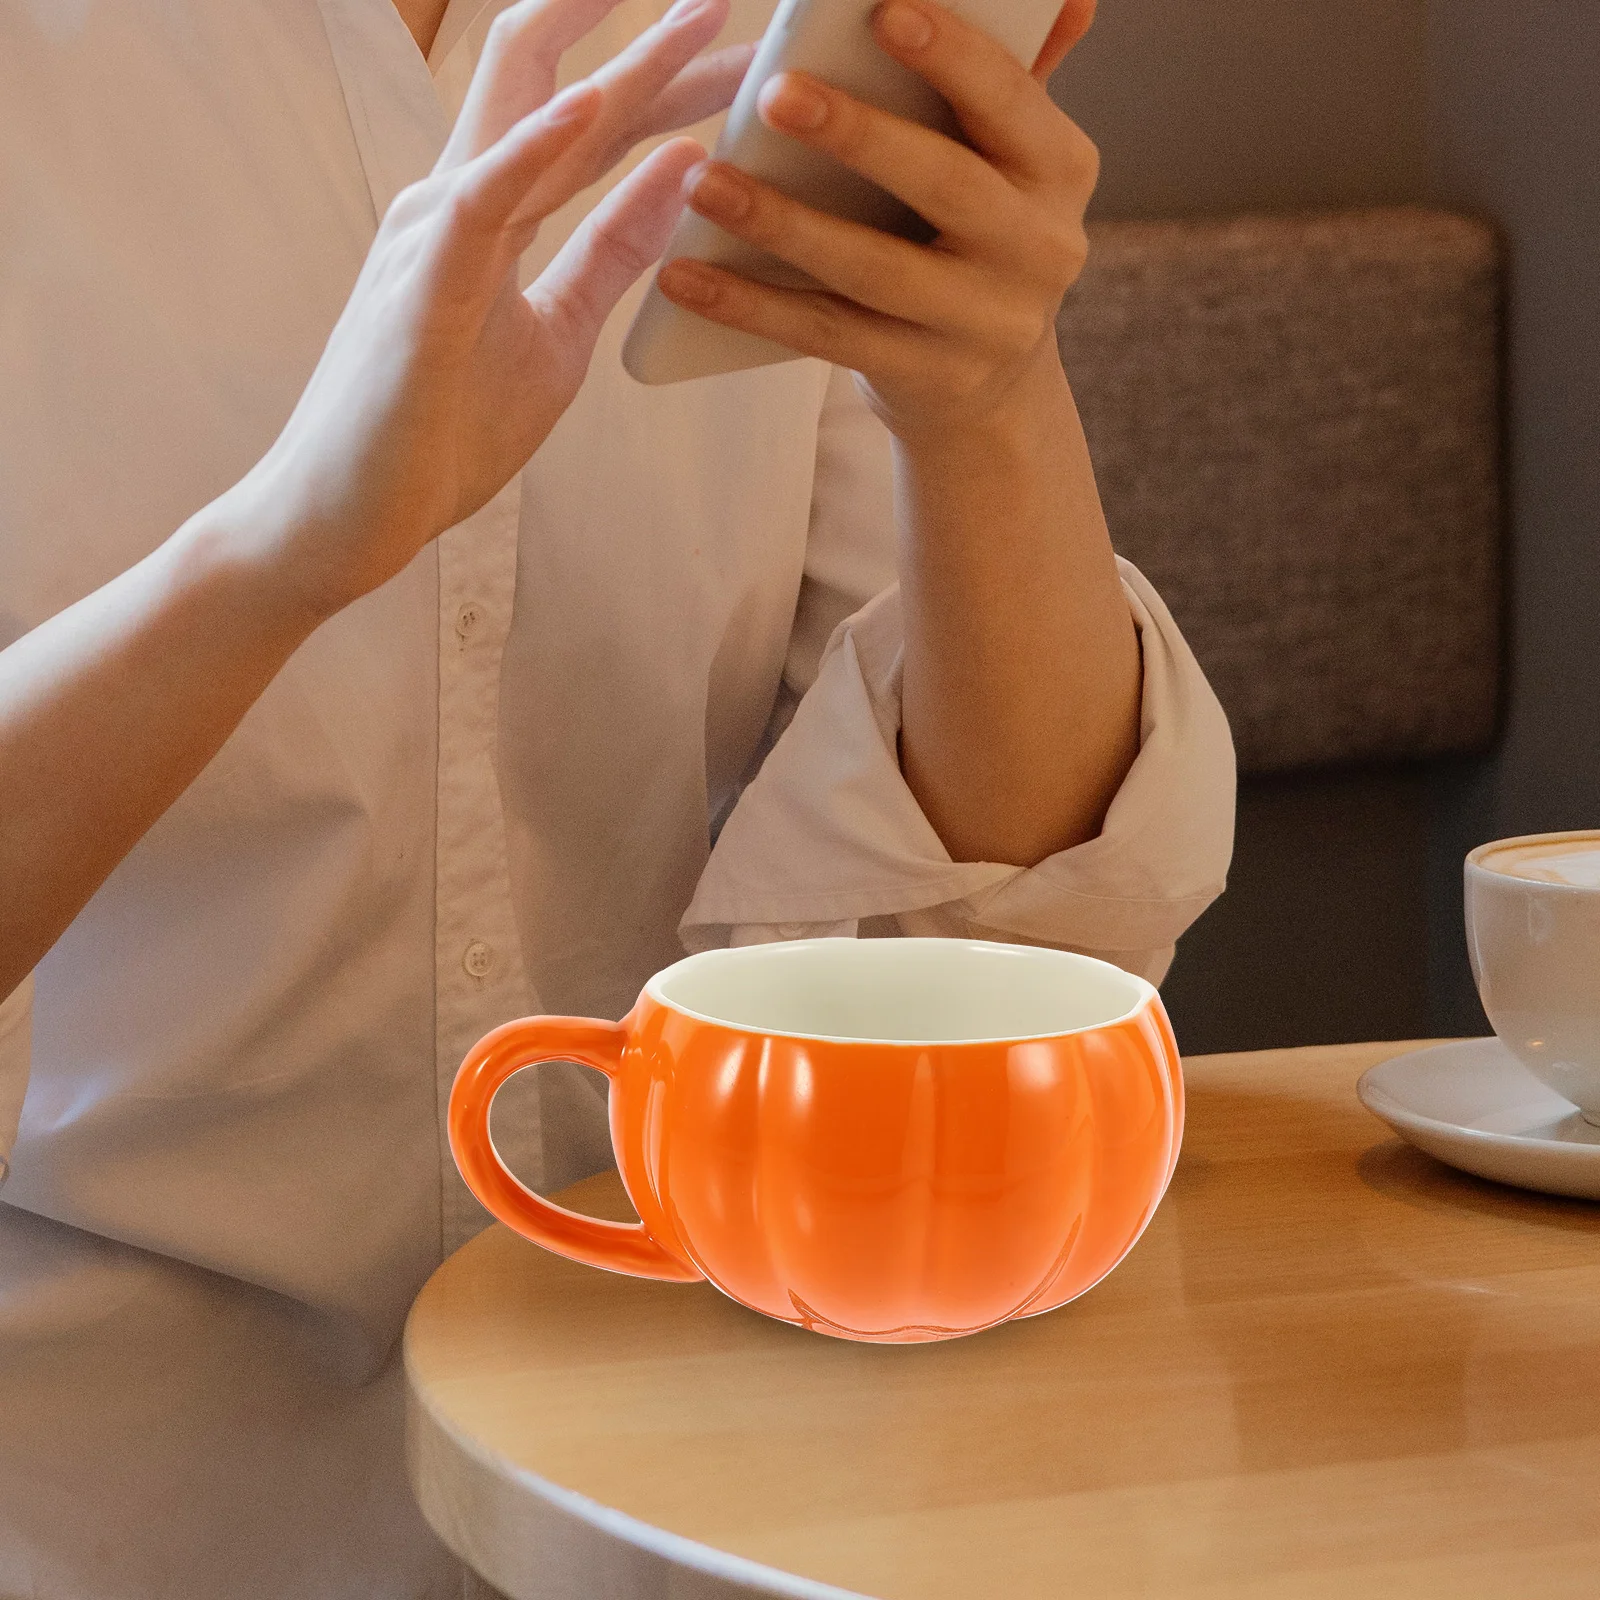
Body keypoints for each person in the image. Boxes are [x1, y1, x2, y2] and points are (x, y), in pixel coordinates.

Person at [0, 0, 1234, 1593]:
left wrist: (986, 400)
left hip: (696, 1456)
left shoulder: (749, 38)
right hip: (96, 1502)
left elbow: (986, 941)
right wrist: (277, 553)